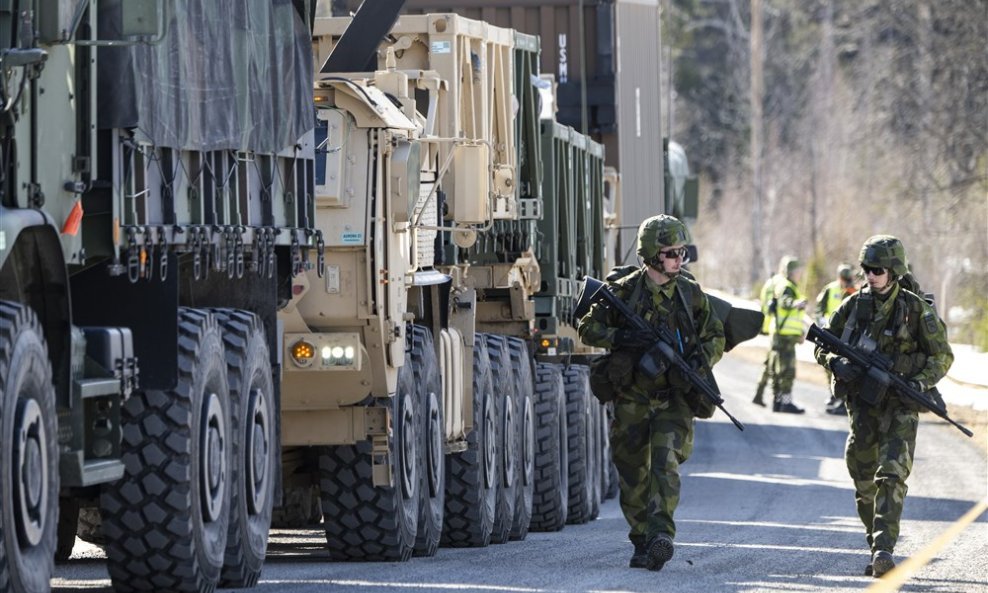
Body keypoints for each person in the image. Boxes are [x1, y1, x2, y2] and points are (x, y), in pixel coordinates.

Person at [578, 214, 725, 572]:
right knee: (632, 471)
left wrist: (695, 361)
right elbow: (586, 326)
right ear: (652, 255)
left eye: (682, 252)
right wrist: (623, 338)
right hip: (632, 396)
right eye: (672, 252)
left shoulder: (690, 294)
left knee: (665, 462)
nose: (679, 259)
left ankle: (661, 535)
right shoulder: (625, 291)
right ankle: (642, 540)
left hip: (674, 396)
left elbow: (715, 335)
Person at [813, 235, 953, 578]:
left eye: (877, 270)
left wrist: (919, 382)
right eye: (866, 269)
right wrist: (834, 363)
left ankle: (883, 548)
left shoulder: (915, 308)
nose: (871, 276)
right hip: (863, 404)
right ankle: (873, 538)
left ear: (893, 271)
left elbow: (942, 355)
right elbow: (822, 343)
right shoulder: (853, 306)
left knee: (891, 474)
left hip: (901, 404)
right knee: (862, 476)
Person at [815, 263, 858, 414]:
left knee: (847, 366)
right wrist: (821, 321)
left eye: (848, 279)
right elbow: (819, 307)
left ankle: (842, 400)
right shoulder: (830, 289)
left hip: (848, 336)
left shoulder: (854, 291)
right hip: (831, 333)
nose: (845, 282)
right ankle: (835, 394)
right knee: (831, 365)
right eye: (844, 278)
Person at [769, 256, 807, 413]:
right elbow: (785, 302)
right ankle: (786, 403)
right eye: (798, 271)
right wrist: (795, 303)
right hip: (784, 336)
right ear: (791, 272)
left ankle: (777, 402)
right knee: (787, 371)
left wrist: (800, 331)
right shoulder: (787, 287)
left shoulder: (787, 285)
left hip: (784, 335)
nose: (800, 274)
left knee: (779, 370)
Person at [751, 273, 777, 407]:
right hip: (774, 328)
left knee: (768, 364)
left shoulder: (768, 285)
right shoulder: (776, 285)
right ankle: (776, 398)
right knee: (774, 365)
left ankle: (758, 394)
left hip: (769, 326)